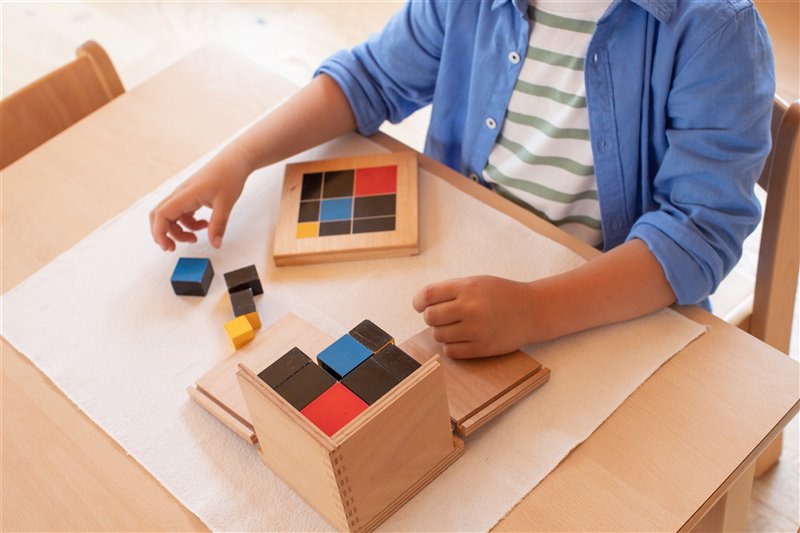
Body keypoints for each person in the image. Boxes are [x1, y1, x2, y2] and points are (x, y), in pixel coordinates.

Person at [149, 0, 774, 359]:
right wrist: (241, 156)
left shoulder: (716, 29)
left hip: (612, 308)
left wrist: (533, 311)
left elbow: (697, 235)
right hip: (471, 269)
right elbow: (370, 78)